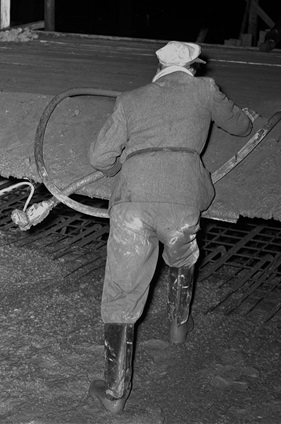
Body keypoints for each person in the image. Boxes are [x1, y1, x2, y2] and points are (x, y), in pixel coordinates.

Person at [87, 41, 257, 414]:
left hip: (133, 200)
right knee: (182, 253)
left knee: (122, 289)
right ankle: (179, 325)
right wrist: (247, 115)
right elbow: (241, 126)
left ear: (158, 66)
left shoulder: (130, 99)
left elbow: (99, 156)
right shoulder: (204, 90)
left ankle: (115, 393)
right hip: (183, 200)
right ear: (193, 67)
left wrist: (122, 170)